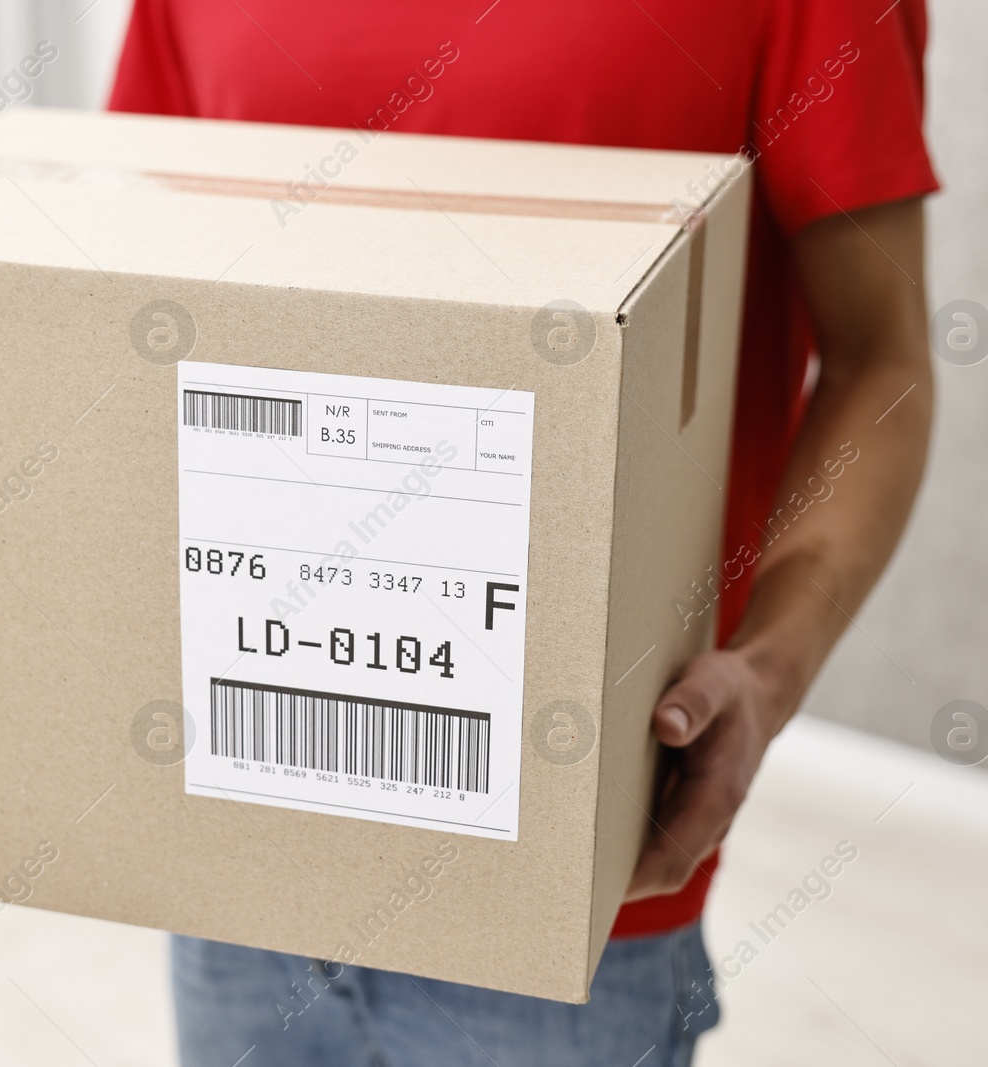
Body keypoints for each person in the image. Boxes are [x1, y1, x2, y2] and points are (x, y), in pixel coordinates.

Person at [110, 1, 938, 1063]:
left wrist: (767, 672)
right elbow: (143, 298)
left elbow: (881, 362)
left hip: (570, 890)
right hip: (243, 842)